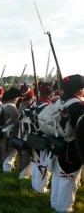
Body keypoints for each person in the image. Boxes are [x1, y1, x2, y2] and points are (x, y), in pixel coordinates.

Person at [49, 74, 84, 212]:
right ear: (79, 90)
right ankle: (64, 208)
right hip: (71, 147)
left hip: (57, 143)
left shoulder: (59, 102)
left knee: (58, 175)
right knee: (68, 179)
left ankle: (55, 203)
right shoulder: (78, 105)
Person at [0, 88, 22, 172]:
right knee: (12, 152)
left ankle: (10, 167)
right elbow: (17, 121)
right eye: (17, 98)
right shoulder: (12, 107)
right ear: (14, 98)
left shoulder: (3, 106)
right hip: (11, 133)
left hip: (4, 132)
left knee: (6, 151)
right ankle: (7, 169)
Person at [17, 83, 35, 179]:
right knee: (26, 156)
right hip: (26, 134)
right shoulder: (28, 106)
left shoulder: (22, 104)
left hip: (22, 133)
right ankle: (24, 175)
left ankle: (23, 173)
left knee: (23, 155)